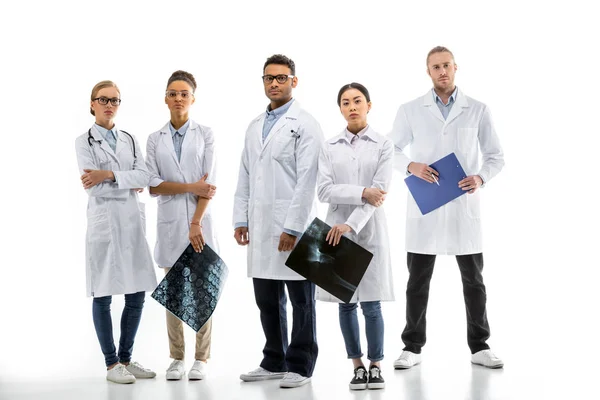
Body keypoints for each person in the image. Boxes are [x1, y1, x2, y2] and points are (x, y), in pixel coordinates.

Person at [388, 46, 505, 369]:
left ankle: (480, 346)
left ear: (456, 68)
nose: (442, 71)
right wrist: (411, 166)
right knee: (417, 281)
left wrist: (481, 177)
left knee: (474, 281)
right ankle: (411, 347)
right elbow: (390, 150)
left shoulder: (477, 109)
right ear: (428, 72)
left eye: (446, 65)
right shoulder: (411, 109)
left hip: (463, 208)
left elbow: (496, 156)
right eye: (435, 67)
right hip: (425, 207)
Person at [233, 54, 323, 388]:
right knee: (266, 298)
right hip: (259, 225)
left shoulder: (306, 124)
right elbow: (245, 174)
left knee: (302, 300)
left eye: (281, 78)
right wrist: (240, 218)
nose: (274, 83)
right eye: (269, 78)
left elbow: (307, 180)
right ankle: (274, 360)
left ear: (293, 82)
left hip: (291, 228)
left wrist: (293, 227)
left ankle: (300, 364)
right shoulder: (255, 125)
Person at [75, 80, 157, 384]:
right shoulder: (83, 142)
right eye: (103, 99)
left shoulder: (130, 139)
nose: (110, 105)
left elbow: (145, 176)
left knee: (137, 294)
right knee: (104, 293)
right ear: (92, 104)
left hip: (132, 223)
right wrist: (125, 181)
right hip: (105, 224)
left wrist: (109, 174)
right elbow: (92, 187)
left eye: (115, 100)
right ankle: (111, 365)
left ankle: (126, 358)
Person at [317, 83, 394, 390]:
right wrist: (362, 191)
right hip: (335, 230)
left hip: (369, 228)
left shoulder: (383, 144)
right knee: (345, 303)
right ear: (340, 109)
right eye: (346, 102)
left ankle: (376, 365)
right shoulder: (329, 145)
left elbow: (380, 194)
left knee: (372, 304)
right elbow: (324, 191)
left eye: (357, 101)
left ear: (369, 105)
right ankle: (357, 365)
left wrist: (351, 222)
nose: (352, 106)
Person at [145, 70, 218, 381]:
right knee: (174, 293)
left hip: (198, 223)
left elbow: (210, 184)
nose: (178, 98)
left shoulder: (206, 134)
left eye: (184, 93)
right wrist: (190, 187)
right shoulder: (154, 139)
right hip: (170, 224)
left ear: (193, 98)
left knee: (202, 292)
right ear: (165, 97)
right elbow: (152, 185)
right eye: (173, 93)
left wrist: (196, 222)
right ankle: (176, 357)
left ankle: (201, 358)